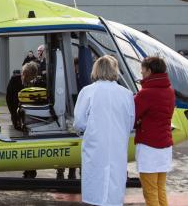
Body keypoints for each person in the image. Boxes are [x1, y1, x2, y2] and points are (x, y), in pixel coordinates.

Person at [73, 55, 135, 206]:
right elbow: (130, 122)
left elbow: (79, 122)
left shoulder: (88, 91)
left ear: (96, 70)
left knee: (95, 189)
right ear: (115, 70)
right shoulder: (126, 94)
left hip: (95, 148)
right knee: (114, 191)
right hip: (117, 147)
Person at [134, 56, 175, 206]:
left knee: (150, 192)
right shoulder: (170, 91)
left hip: (148, 148)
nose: (141, 73)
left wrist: (138, 122)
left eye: (143, 70)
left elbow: (132, 116)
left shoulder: (146, 93)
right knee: (160, 189)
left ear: (150, 71)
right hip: (165, 146)